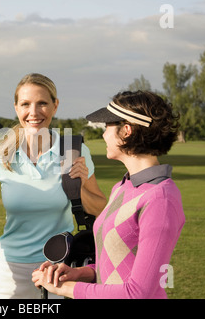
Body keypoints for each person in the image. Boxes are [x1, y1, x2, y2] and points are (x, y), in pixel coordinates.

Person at [0, 73, 107, 298]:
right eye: (25, 104)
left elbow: (100, 209)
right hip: (9, 271)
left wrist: (81, 185)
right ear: (16, 108)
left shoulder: (74, 151)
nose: (33, 112)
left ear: (55, 105)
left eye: (42, 103)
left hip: (57, 269)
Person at [32, 90, 185, 299]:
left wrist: (64, 289)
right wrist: (79, 273)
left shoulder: (160, 199)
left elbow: (137, 293)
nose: (103, 134)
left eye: (107, 127)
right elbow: (116, 261)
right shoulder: (123, 186)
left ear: (126, 131)